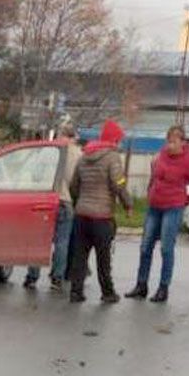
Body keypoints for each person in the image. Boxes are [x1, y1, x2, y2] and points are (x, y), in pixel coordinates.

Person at [125, 125, 189, 303]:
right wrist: (150, 191)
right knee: (145, 246)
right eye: (168, 141)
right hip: (155, 205)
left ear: (182, 142)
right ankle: (141, 284)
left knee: (166, 248)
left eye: (174, 142)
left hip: (173, 207)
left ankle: (163, 287)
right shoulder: (161, 154)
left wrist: (184, 201)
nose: (170, 145)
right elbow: (154, 175)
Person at [68, 119, 133, 304]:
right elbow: (118, 183)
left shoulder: (84, 156)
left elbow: (74, 186)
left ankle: (76, 292)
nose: (119, 144)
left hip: (82, 215)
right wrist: (127, 204)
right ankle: (108, 292)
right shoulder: (113, 157)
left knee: (80, 256)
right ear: (114, 140)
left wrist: (79, 202)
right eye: (118, 140)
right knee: (103, 259)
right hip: (101, 218)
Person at [23, 117, 82, 291]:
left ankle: (32, 277)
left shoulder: (48, 150)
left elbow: (36, 175)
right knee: (62, 242)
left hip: (44, 200)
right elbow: (75, 182)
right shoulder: (78, 154)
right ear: (73, 137)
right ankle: (57, 278)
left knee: (39, 241)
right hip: (64, 201)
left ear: (59, 134)